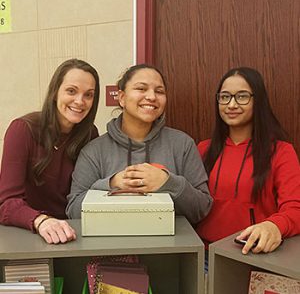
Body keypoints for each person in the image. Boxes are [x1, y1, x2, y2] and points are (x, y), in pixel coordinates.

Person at [66, 64, 213, 224]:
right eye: (141, 89)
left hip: (170, 247)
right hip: (111, 247)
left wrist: (169, 182)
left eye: (159, 91)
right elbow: (73, 211)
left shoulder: (182, 144)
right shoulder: (94, 151)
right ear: (121, 98)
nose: (151, 97)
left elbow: (202, 208)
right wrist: (111, 184)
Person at [196, 67, 300, 255]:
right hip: (203, 256)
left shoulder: (281, 152)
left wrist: (274, 226)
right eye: (225, 97)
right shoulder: (202, 149)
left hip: (253, 257)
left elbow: (295, 208)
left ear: (257, 100)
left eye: (242, 96)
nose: (232, 105)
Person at [0, 58, 100, 244]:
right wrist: (42, 221)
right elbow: (6, 203)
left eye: (89, 95)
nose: (80, 101)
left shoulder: (90, 134)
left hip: (74, 231)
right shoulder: (22, 129)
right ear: (55, 92)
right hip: (30, 230)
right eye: (71, 91)